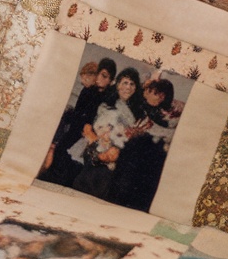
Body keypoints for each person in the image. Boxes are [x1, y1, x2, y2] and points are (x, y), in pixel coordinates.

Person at [39, 58, 117, 187]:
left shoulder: (108, 99)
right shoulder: (88, 90)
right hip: (78, 128)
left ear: (110, 80)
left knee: (63, 152)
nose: (99, 78)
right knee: (59, 149)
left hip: (92, 134)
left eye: (104, 76)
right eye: (98, 74)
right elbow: (79, 112)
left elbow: (100, 120)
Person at [73, 68, 143, 200]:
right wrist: (96, 143)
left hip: (114, 159)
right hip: (94, 150)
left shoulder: (137, 112)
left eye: (132, 84)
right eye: (125, 83)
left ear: (135, 88)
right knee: (80, 189)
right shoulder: (105, 104)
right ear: (117, 85)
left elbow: (132, 137)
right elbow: (90, 126)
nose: (127, 87)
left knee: (99, 194)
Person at [108, 78, 175, 211]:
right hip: (126, 155)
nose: (159, 98)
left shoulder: (164, 119)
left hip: (142, 163)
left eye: (163, 95)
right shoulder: (136, 106)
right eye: (155, 92)